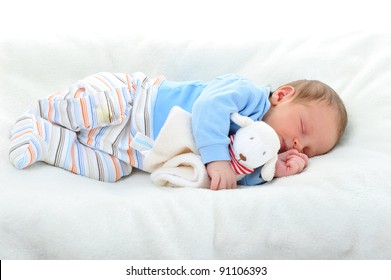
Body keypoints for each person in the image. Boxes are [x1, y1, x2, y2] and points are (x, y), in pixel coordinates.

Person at [9, 72, 347, 190]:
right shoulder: (247, 95)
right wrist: (216, 159)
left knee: (112, 171)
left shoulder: (258, 154)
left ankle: (43, 138)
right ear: (283, 96)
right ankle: (46, 109)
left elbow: (231, 177)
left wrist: (273, 172)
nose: (299, 143)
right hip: (134, 101)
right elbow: (207, 109)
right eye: (302, 127)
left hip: (135, 149)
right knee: (97, 109)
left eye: (309, 151)